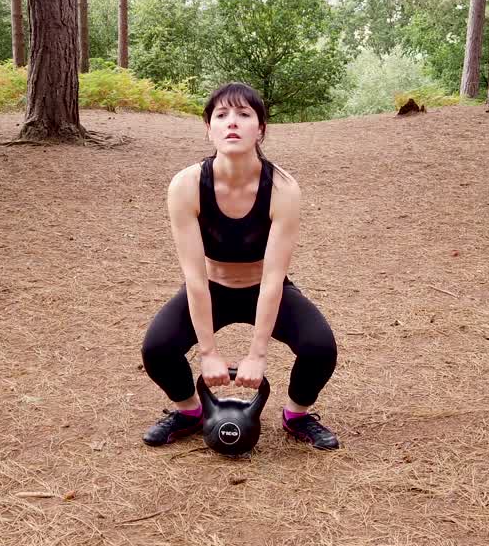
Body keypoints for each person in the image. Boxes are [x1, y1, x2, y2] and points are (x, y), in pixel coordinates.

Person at [140, 82, 340, 450]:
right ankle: (189, 411)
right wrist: (208, 351)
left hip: (262, 286)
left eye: (244, 114)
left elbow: (273, 279)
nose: (232, 122)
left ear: (260, 128)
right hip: (211, 287)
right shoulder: (185, 185)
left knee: (320, 348)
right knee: (157, 349)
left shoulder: (282, 188)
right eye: (222, 115)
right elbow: (195, 278)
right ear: (209, 128)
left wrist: (257, 353)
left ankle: (296, 416)